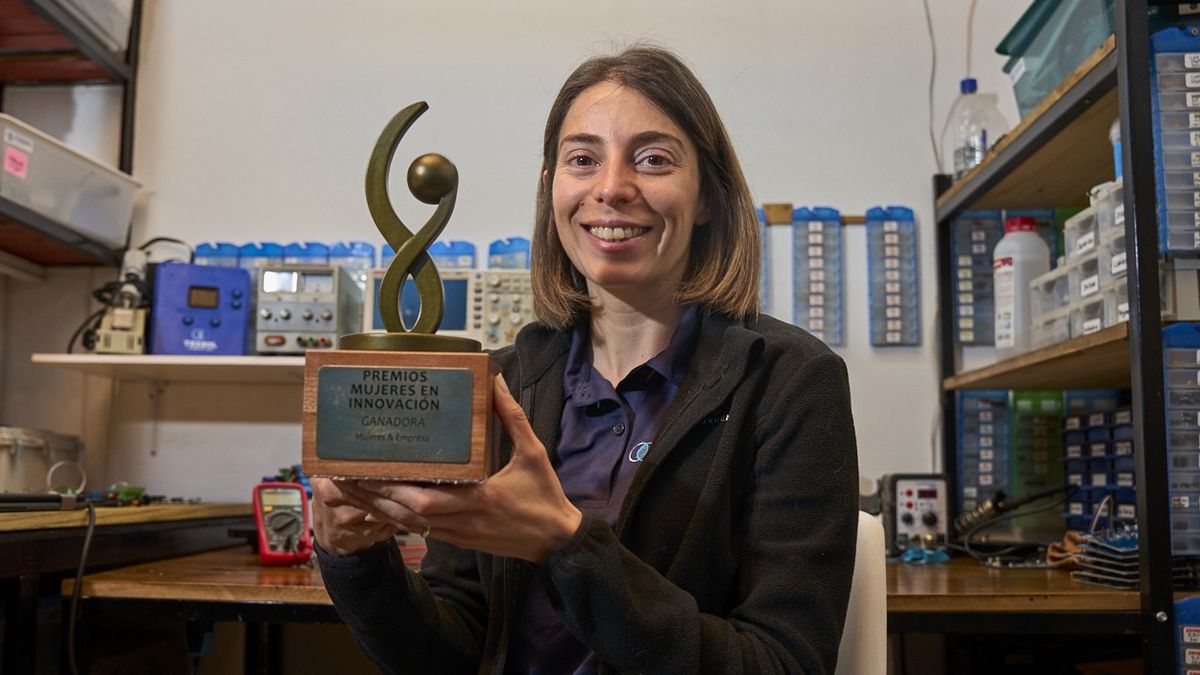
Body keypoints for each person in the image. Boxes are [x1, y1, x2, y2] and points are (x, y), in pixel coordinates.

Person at [313, 44, 859, 674]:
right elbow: (452, 653)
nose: (612, 188)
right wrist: (352, 558)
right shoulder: (502, 383)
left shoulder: (789, 382)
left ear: (707, 194)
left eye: (653, 159)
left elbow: (784, 663)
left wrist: (564, 545)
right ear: (552, 190)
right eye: (583, 160)